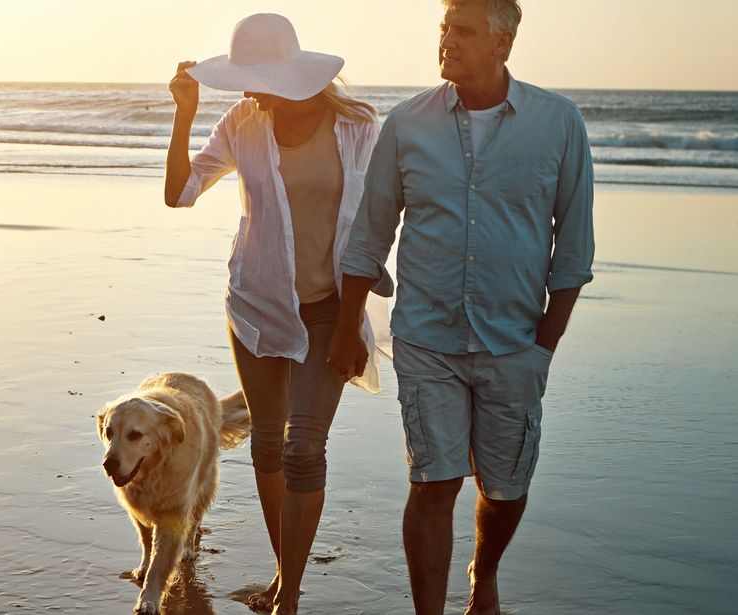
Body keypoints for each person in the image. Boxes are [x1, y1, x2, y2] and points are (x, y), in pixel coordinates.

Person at [328, 1, 596, 613]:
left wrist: (543, 348)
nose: (447, 40)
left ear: (503, 43)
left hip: (516, 341)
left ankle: (485, 573)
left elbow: (575, 248)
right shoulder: (408, 123)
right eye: (444, 28)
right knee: (433, 481)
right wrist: (347, 327)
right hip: (427, 338)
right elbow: (370, 234)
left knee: (505, 488)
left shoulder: (558, 123)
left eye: (463, 31)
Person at [162, 13, 387, 615]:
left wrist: (353, 322)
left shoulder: (359, 128)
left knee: (303, 449)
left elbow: (380, 222)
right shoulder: (242, 123)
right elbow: (180, 194)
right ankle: (286, 578)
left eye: (256, 77)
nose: (246, 89)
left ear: (291, 75)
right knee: (267, 443)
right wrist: (184, 114)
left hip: (333, 310)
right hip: (257, 305)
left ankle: (288, 595)